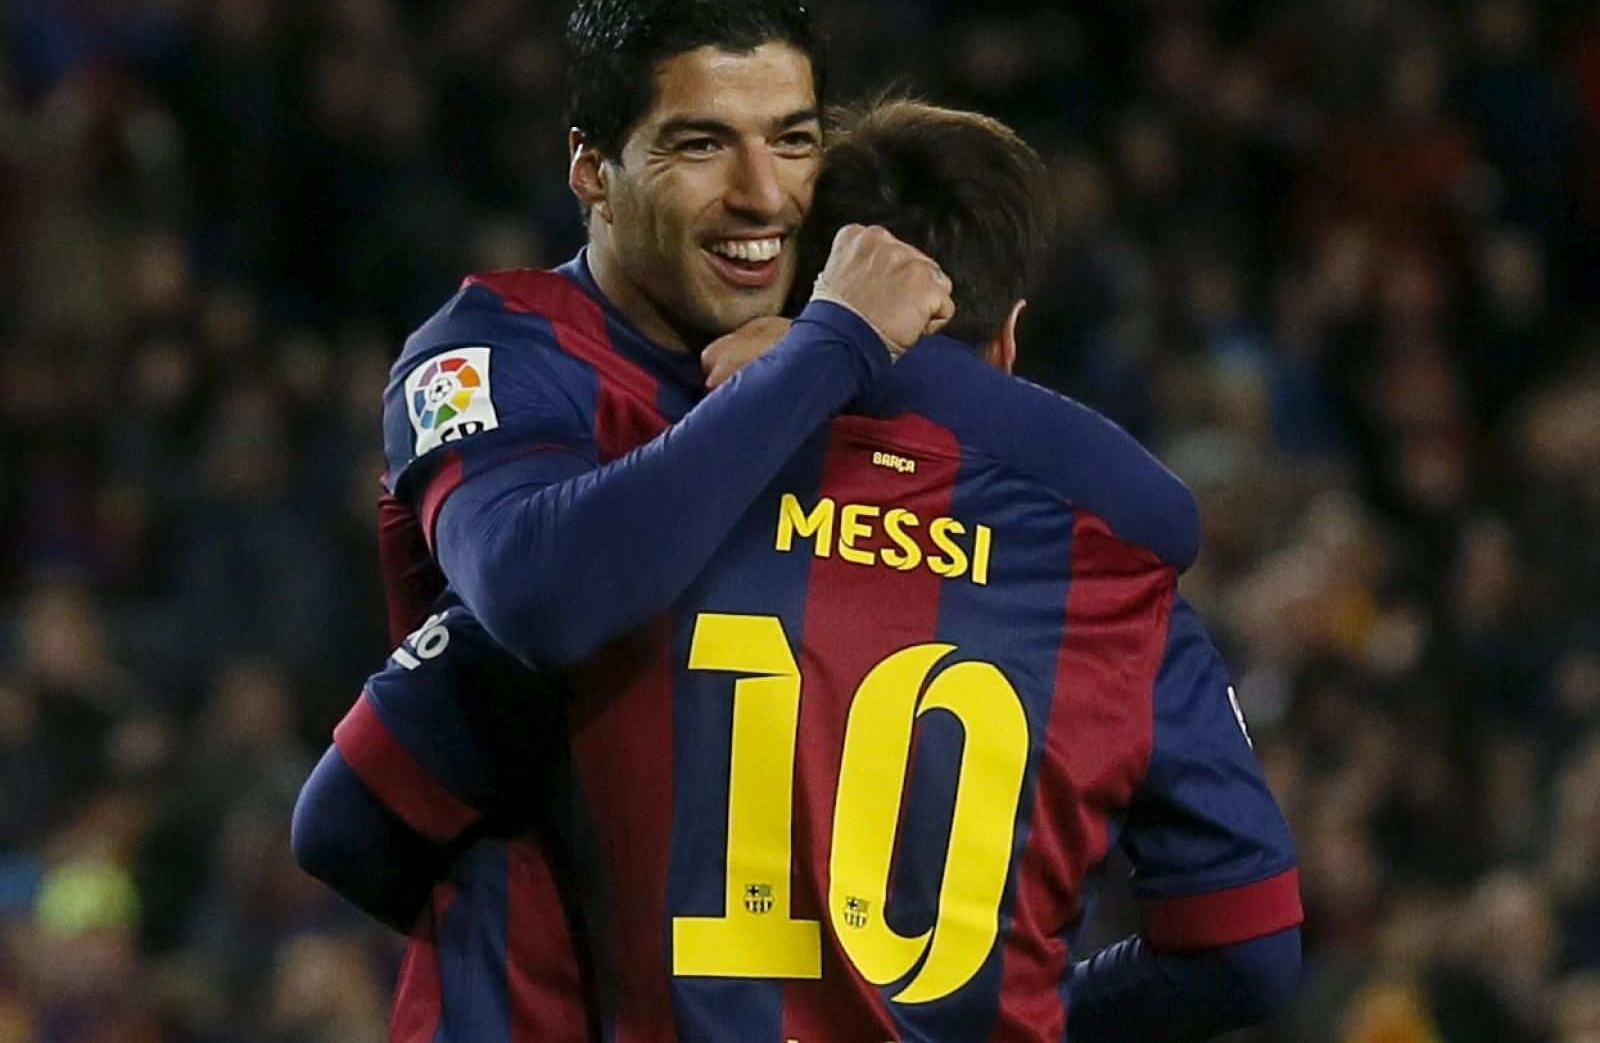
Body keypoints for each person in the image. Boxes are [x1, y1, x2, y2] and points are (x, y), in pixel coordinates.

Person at [299, 97, 1303, 1041]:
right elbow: (1245, 949)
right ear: (1007, 338)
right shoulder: (1120, 575)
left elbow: (348, 821)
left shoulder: (641, 529)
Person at [293, 0, 955, 1041]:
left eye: (792, 141)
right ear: (592, 168)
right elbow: (543, 589)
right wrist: (819, 363)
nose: (762, 194)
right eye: (701, 145)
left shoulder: (863, 373)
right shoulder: (492, 356)